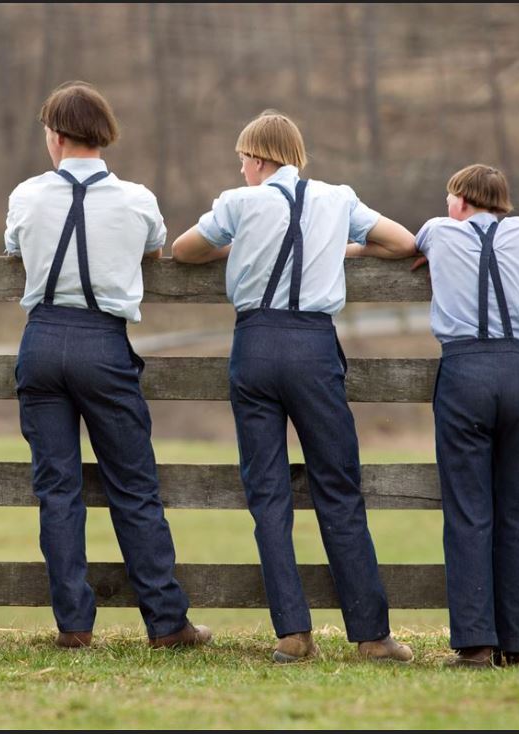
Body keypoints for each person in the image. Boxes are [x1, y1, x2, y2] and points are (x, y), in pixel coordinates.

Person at [171, 110, 416, 664]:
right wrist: (344, 250)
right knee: (339, 489)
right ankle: (373, 635)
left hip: (255, 345)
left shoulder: (240, 204)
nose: (240, 168)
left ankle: (292, 633)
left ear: (260, 159)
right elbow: (402, 243)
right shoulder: (337, 199)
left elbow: (184, 250)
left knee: (268, 496)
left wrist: (234, 249)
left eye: (243, 159)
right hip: (313, 347)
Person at [6, 81, 210, 649]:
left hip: (43, 339)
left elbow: (15, 248)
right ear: (103, 135)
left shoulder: (26, 195)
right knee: (134, 486)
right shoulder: (137, 199)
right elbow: (154, 249)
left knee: (58, 490)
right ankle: (166, 622)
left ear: (55, 135)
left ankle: (74, 625)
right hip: (104, 343)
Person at [413, 164, 519, 668]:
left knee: (469, 509)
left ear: (463, 200)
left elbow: (418, 242)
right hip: (518, 369)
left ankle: (475, 643)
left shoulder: (438, 230)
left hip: (465, 370)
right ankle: (518, 643)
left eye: (451, 195)